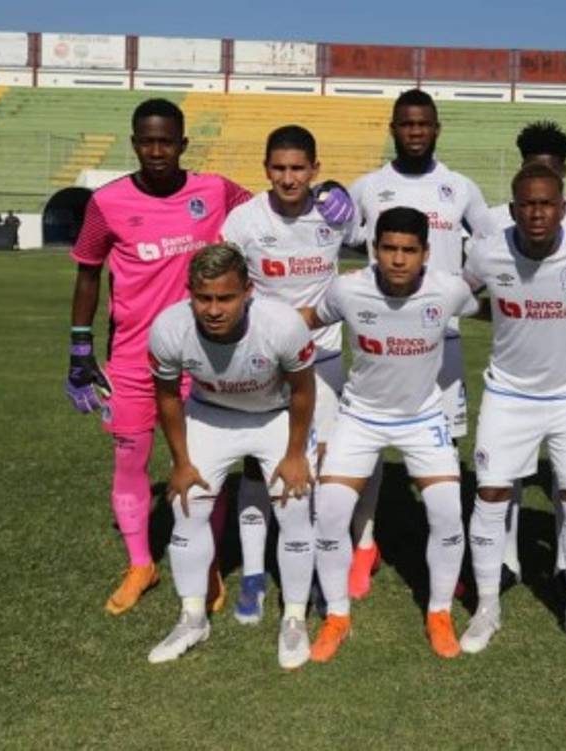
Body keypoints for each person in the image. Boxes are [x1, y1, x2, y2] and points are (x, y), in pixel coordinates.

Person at [65, 98, 251, 616]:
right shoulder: (107, 202)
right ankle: (140, 563)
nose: (156, 151)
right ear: (134, 144)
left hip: (201, 357)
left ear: (183, 144)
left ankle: (208, 562)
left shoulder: (216, 191)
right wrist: (79, 348)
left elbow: (268, 212)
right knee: (130, 459)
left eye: (166, 141)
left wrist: (324, 195)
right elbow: (87, 272)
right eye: (146, 142)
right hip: (131, 358)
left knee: (201, 462)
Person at [460, 163, 566, 660]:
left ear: (562, 209)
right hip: (507, 396)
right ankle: (487, 608)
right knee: (490, 494)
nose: (537, 213)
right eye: (527, 204)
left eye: (546, 204)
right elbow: (458, 295)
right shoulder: (487, 253)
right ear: (513, 209)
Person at [301, 207, 479, 661]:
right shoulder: (348, 289)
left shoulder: (448, 290)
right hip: (360, 417)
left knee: (446, 513)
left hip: (423, 418)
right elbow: (308, 318)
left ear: (426, 253)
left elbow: (493, 306)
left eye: (409, 250)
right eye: (389, 249)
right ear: (374, 249)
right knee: (330, 512)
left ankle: (439, 612)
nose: (398, 259)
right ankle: (337, 617)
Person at [344, 88, 495, 599]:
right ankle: (365, 545)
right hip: (381, 339)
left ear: (436, 129)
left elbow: (492, 246)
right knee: (366, 449)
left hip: (441, 341)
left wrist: (463, 290)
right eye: (406, 124)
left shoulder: (460, 188)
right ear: (393, 128)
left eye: (423, 124)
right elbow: (339, 239)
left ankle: (444, 558)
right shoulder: (368, 187)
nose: (414, 132)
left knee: (443, 454)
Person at [146, 244, 317, 667]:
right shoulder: (169, 328)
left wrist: (295, 454)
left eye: (225, 298)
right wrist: (182, 463)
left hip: (274, 416)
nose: (213, 310)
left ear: (248, 292)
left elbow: (303, 390)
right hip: (210, 416)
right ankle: (192, 618)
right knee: (187, 505)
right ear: (189, 293)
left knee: (295, 506)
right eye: (203, 298)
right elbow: (167, 397)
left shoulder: (282, 325)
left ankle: (295, 618)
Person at [220, 124, 356, 624]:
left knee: (318, 470)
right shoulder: (244, 220)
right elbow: (225, 280)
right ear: (265, 169)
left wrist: (348, 200)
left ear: (315, 169)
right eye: (278, 168)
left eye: (298, 168)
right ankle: (255, 574)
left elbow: (383, 236)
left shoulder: (334, 213)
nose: (288, 178)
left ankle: (314, 568)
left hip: (323, 358)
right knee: (258, 467)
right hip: (264, 362)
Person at [483, 120, 566, 591]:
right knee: (505, 479)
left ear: (564, 175)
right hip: (512, 382)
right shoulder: (495, 225)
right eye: (532, 168)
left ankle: (564, 561)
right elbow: (473, 288)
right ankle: (507, 560)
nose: (540, 184)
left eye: (550, 171)